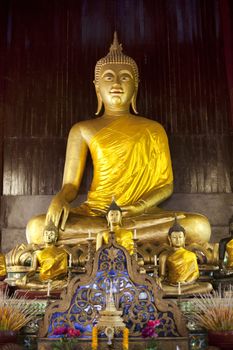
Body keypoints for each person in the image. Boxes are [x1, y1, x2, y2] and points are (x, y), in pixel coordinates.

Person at [26, 33, 211, 247]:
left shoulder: (153, 129)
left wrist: (139, 207)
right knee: (37, 227)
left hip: (141, 215)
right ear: (97, 87)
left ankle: (104, 240)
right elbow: (70, 185)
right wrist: (60, 199)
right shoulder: (82, 130)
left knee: (198, 226)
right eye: (108, 77)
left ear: (135, 87)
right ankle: (117, 239)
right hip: (96, 214)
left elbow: (166, 185)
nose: (116, 83)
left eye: (124, 77)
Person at [159, 218, 212, 296]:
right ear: (169, 238)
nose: (178, 240)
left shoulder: (191, 255)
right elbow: (162, 276)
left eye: (180, 237)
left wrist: (187, 282)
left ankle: (177, 293)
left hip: (188, 285)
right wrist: (158, 280)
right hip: (172, 285)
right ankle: (181, 293)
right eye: (174, 237)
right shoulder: (164, 255)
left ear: (184, 238)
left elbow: (195, 274)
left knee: (208, 286)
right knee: (159, 287)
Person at [15, 221, 69, 290]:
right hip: (42, 281)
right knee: (18, 282)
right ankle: (45, 287)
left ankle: (44, 287)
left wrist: (56, 279)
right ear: (43, 236)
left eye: (51, 234)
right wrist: (27, 276)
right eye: (46, 234)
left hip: (56, 281)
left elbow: (63, 272)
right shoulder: (38, 253)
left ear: (56, 237)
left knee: (66, 283)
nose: (48, 236)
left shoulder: (62, 253)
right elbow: (33, 269)